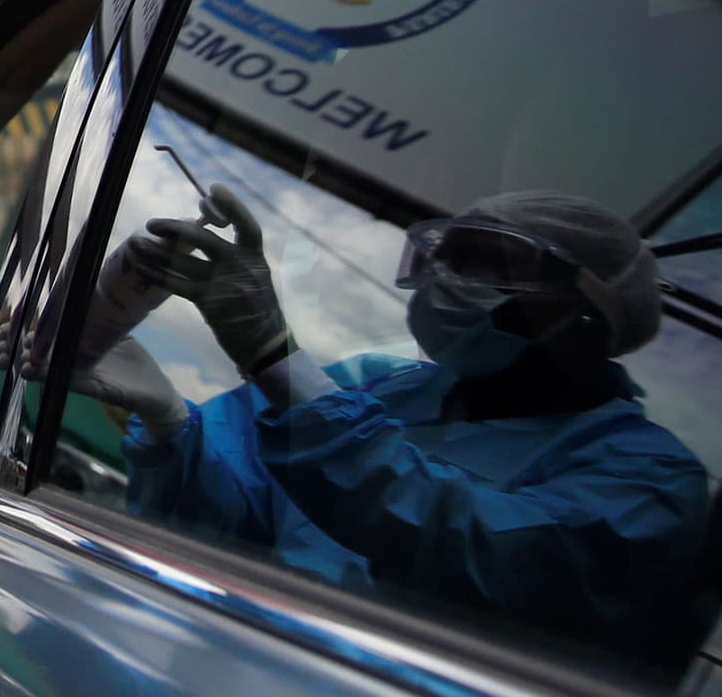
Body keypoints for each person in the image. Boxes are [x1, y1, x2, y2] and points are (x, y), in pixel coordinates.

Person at [73, 186, 709, 660]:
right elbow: (225, 529)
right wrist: (170, 426)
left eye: (490, 264)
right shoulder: (376, 384)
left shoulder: (650, 482)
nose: (443, 283)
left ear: (587, 316)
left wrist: (275, 358)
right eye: (442, 257)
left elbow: (476, 553)